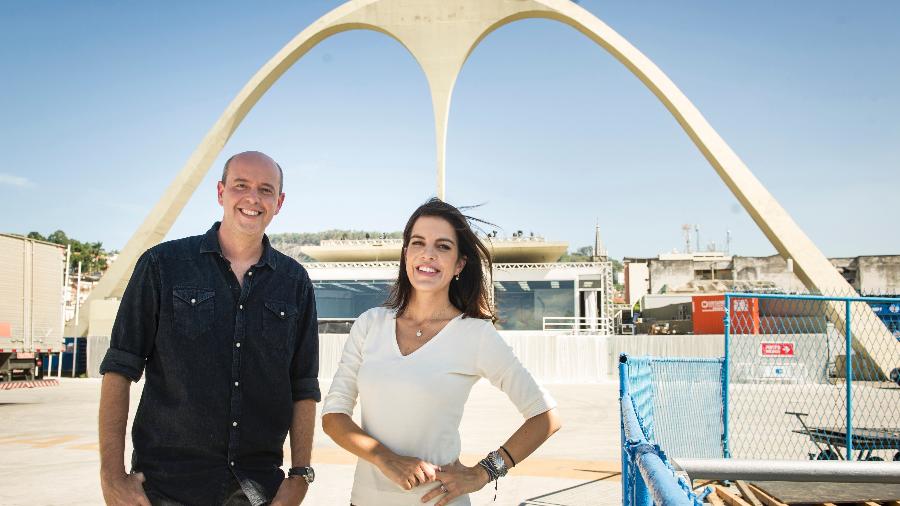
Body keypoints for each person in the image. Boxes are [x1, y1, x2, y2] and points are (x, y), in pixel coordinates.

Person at [98, 151, 320, 506]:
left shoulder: (294, 282)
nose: (252, 198)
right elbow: (119, 369)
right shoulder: (162, 266)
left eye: (265, 190)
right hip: (165, 487)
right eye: (241, 186)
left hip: (258, 491)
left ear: (279, 203)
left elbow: (303, 385)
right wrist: (111, 476)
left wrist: (301, 474)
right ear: (220, 193)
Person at [321, 198, 562, 506]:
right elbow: (333, 416)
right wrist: (385, 458)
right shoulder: (370, 324)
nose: (428, 254)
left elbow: (546, 417)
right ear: (406, 253)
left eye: (443, 246)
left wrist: (484, 472)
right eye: (418, 242)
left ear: (460, 264)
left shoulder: (475, 335)